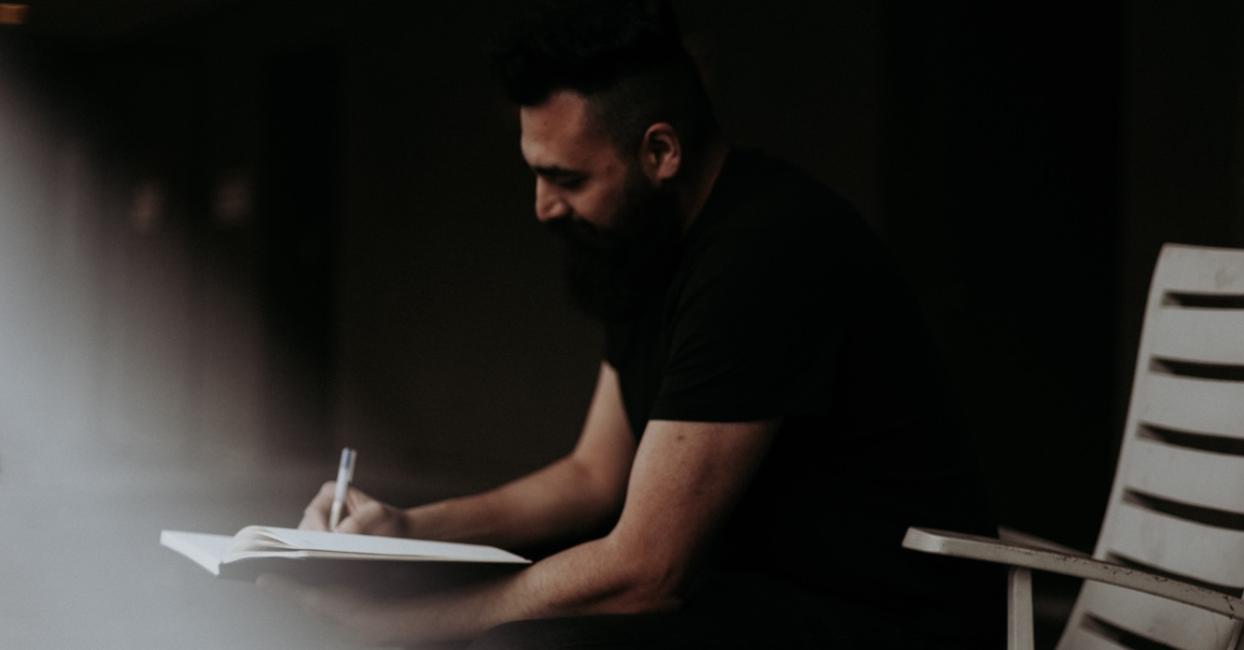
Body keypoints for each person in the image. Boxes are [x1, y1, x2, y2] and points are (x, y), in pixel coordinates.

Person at [261, 1, 1000, 647]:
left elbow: (646, 573)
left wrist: (389, 631)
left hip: (886, 621)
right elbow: (593, 475)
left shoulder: (765, 252)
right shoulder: (647, 248)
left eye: (567, 178)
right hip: (758, 591)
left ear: (660, 151)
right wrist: (407, 532)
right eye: (537, 173)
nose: (543, 206)